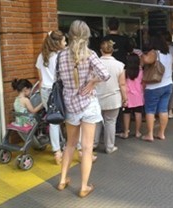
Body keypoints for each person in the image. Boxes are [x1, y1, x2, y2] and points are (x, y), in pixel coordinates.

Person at [57, 20, 110, 198]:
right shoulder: (90, 54)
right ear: (86, 35)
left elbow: (60, 78)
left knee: (70, 145)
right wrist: (92, 81)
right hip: (88, 104)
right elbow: (105, 74)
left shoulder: (61, 55)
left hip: (70, 105)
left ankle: (63, 179)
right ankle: (84, 186)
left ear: (70, 35)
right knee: (87, 148)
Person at [36, 30, 66, 165]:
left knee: (53, 121)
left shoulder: (41, 57)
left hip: (45, 91)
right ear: (58, 42)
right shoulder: (60, 57)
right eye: (64, 41)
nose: (65, 43)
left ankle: (57, 151)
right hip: (58, 91)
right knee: (70, 118)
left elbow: (40, 79)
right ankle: (78, 147)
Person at [94, 40, 127, 154]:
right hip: (113, 98)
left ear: (101, 50)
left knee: (96, 121)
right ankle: (109, 146)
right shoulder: (119, 65)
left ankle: (94, 143)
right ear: (112, 51)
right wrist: (125, 98)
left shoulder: (95, 64)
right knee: (110, 122)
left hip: (96, 98)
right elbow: (122, 84)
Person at [102, 17, 132, 135]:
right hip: (120, 70)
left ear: (108, 26)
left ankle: (103, 127)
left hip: (105, 70)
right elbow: (130, 50)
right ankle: (117, 127)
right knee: (118, 97)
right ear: (118, 26)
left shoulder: (104, 39)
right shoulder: (124, 39)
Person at [141, 34, 173, 141]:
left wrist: (142, 55)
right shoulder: (169, 54)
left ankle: (150, 135)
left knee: (150, 110)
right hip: (168, 84)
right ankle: (161, 133)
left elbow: (146, 61)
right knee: (163, 110)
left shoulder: (154, 53)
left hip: (154, 86)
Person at [120, 53, 144, 139]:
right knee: (138, 113)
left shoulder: (125, 72)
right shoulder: (141, 71)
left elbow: (122, 83)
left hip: (127, 96)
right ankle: (137, 132)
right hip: (138, 95)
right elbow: (143, 83)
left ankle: (126, 132)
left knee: (126, 113)